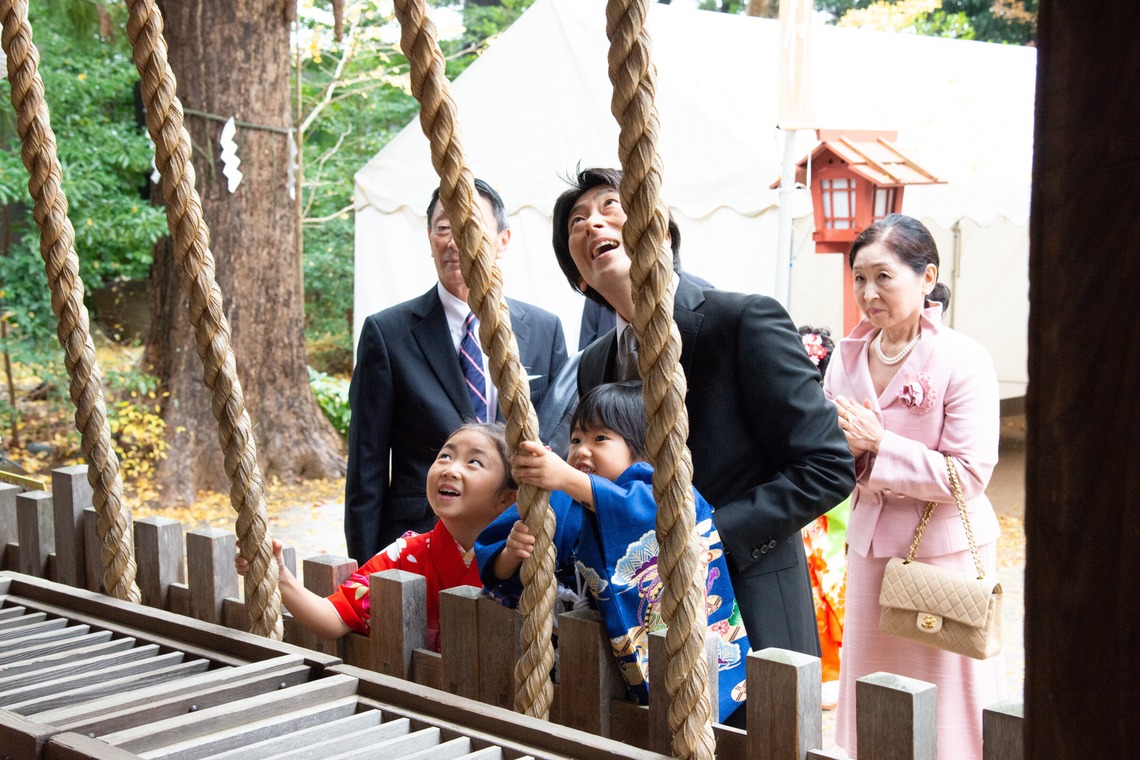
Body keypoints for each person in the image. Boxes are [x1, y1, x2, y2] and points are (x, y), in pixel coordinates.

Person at [550, 167, 855, 656]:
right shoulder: (594, 363)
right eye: (577, 222)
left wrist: (709, 538)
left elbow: (827, 467)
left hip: (751, 612)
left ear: (663, 232)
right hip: (638, 625)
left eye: (610, 206)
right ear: (578, 277)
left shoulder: (743, 321)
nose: (593, 224)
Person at [826, 214, 1003, 759]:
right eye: (859, 278)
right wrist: (846, 452)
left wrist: (881, 443)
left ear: (927, 278)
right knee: (873, 687)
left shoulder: (963, 358)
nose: (868, 292)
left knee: (947, 694)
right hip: (871, 551)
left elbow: (969, 473)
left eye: (884, 276)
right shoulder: (845, 357)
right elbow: (828, 456)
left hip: (944, 555)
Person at [477, 381, 750, 722]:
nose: (582, 450)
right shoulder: (556, 498)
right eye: (576, 439)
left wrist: (567, 479)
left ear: (642, 448)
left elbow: (647, 514)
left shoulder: (658, 488)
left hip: (660, 657)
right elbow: (495, 568)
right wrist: (510, 555)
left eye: (600, 438)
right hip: (569, 660)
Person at [345, 179, 568, 562]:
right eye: (444, 227)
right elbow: (367, 465)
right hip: (420, 542)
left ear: (503, 240)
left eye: (472, 226)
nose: (455, 241)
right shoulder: (388, 333)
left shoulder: (544, 330)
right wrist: (365, 567)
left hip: (519, 540)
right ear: (429, 237)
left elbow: (558, 439)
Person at [239, 422, 517, 652]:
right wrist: (280, 577)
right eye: (445, 456)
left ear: (508, 498)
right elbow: (332, 619)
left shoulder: (527, 555)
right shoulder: (403, 554)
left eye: (474, 462)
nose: (450, 469)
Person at [798, 325, 849, 710]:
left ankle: (830, 674)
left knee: (824, 587)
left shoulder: (836, 408)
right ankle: (823, 672)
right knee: (817, 590)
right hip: (809, 508)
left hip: (826, 512)